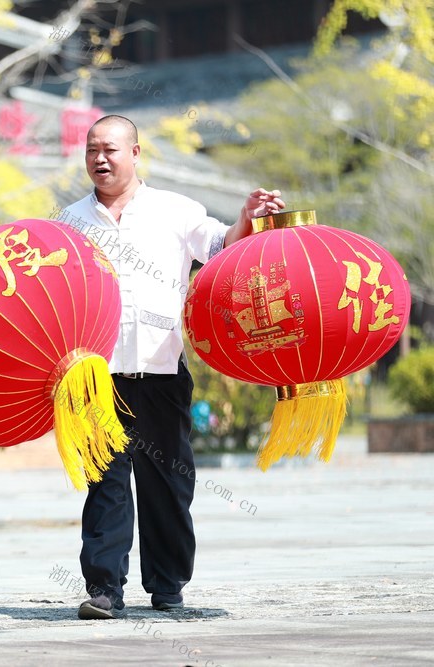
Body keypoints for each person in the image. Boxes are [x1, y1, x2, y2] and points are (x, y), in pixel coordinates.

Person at [54, 115, 285, 620]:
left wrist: (248, 216)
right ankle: (104, 590)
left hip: (161, 371)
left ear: (136, 152)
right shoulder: (66, 223)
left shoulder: (175, 210)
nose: (100, 158)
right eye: (92, 149)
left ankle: (167, 584)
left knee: (168, 484)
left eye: (111, 149)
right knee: (106, 482)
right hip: (95, 377)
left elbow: (224, 248)